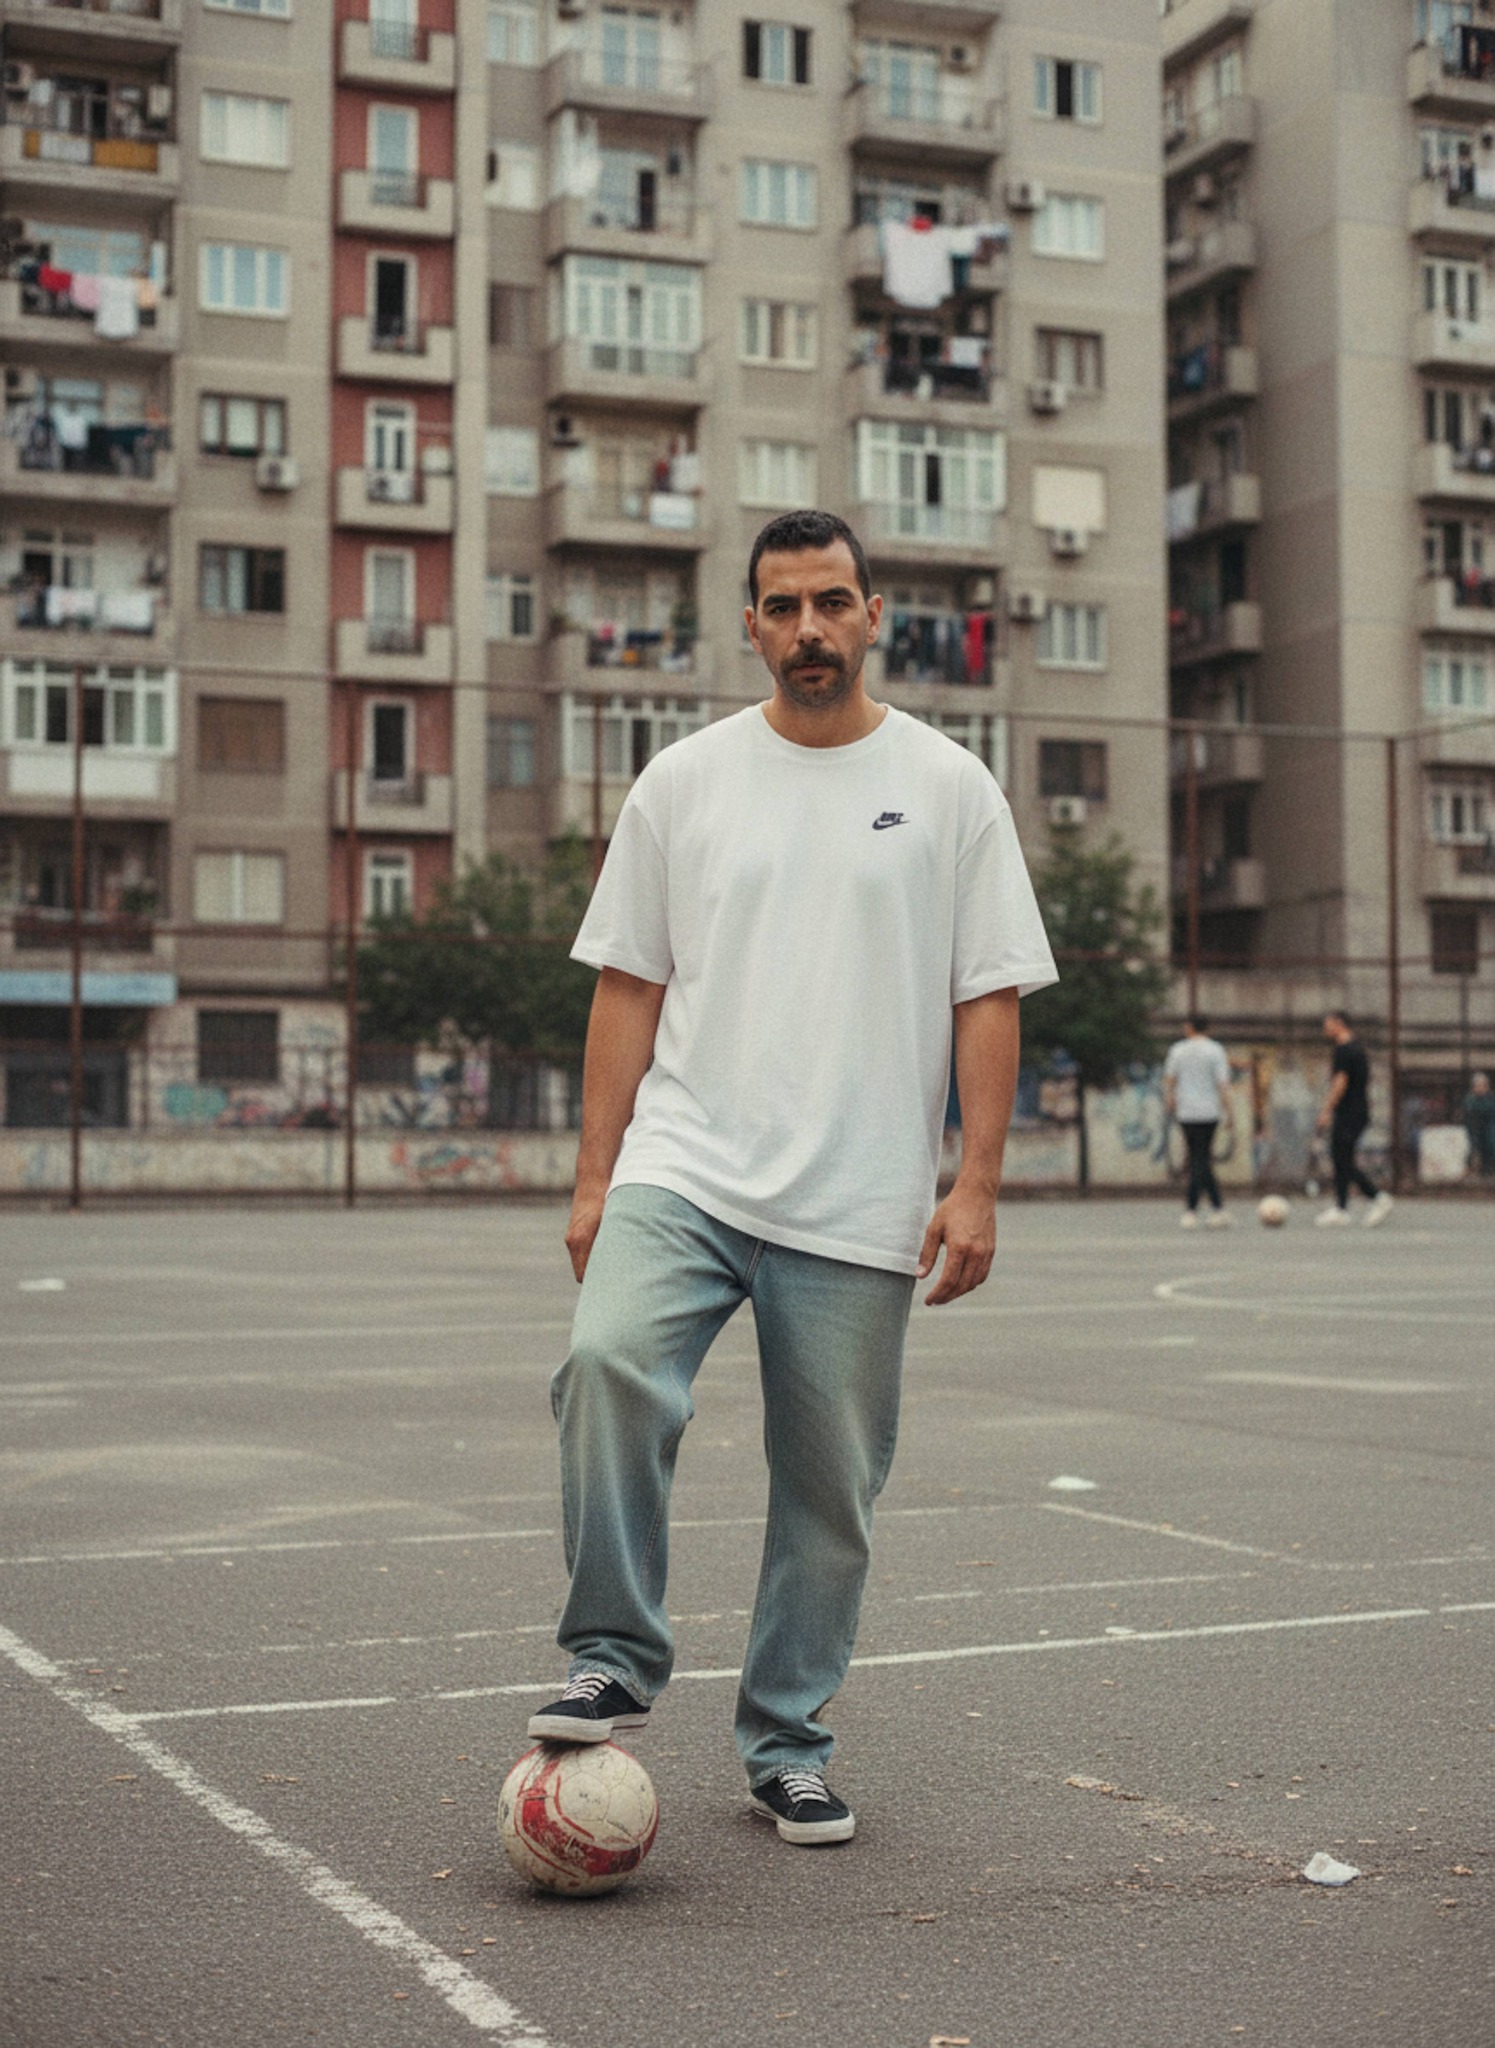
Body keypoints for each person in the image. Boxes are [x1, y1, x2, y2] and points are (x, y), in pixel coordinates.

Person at [527, 509, 1057, 1846]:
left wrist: (973, 1182)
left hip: (858, 1196)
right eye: (782, 607)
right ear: (748, 624)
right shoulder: (684, 782)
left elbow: (986, 996)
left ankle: (785, 1743)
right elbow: (625, 987)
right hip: (685, 1166)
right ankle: (612, 1652)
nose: (807, 630)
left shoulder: (948, 788)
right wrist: (596, 1179)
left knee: (828, 1492)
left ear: (876, 614)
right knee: (605, 1363)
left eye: (831, 602)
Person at [1315, 1010, 1393, 1227]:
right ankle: (1341, 1209)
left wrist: (1326, 1110)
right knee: (1340, 1156)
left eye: (1328, 1023)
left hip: (1350, 1112)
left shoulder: (1344, 1050)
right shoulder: (1356, 1049)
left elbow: (1340, 1083)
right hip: (1355, 1111)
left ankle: (1377, 1197)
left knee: (1342, 1159)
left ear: (1340, 1024)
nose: (1325, 1028)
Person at [1161, 1014, 1232, 1227]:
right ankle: (1210, 1208)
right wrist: (1230, 1112)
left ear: (1188, 1028)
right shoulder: (1215, 1050)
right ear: (1207, 1028)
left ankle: (1200, 1209)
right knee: (1201, 1159)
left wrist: (1170, 1099)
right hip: (1209, 1112)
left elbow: (1170, 1080)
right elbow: (1222, 1083)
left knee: (1197, 1158)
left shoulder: (1178, 1050)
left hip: (1187, 1112)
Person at [1464, 1070, 1495, 1178]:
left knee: (1490, 1147)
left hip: (1488, 1128)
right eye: (1478, 1085)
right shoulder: (1471, 1099)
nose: (1481, 1088)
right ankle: (1475, 1170)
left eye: (1483, 1085)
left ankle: (1489, 1170)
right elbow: (1469, 1111)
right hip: (1475, 1129)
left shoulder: (1491, 1098)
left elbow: (1490, 1110)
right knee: (1474, 1148)